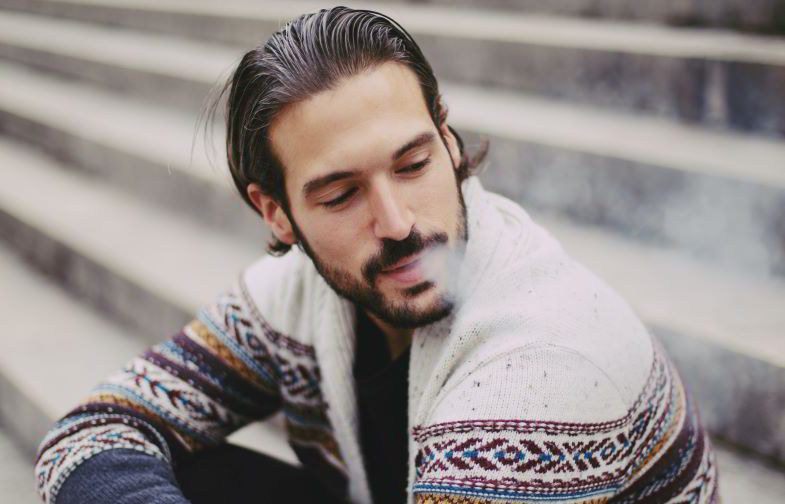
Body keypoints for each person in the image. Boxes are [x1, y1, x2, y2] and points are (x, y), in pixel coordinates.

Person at [33, 6, 719, 504]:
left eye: (413, 164)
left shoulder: (538, 365)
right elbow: (91, 433)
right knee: (169, 477)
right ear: (275, 211)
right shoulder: (292, 295)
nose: (396, 224)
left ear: (446, 141)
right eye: (339, 196)